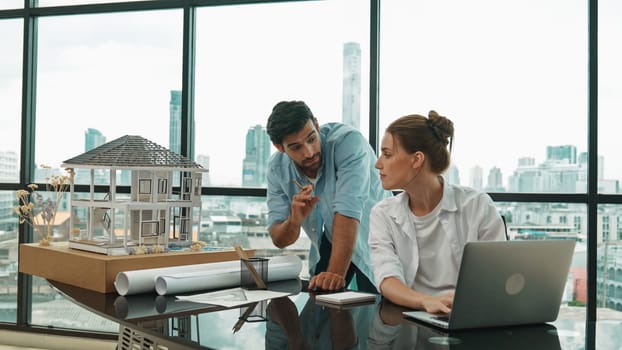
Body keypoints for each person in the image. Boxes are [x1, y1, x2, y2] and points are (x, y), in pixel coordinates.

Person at [369, 110, 506, 313]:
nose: (378, 163)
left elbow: (498, 274)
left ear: (416, 159)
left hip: (470, 315)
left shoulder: (477, 205)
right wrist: (426, 301)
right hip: (410, 319)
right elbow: (387, 279)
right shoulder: (383, 213)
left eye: (387, 154)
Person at [266, 100, 391, 293]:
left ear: (317, 125)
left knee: (379, 313)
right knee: (319, 305)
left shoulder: (348, 142)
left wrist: (335, 275)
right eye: (296, 147)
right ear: (280, 147)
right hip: (333, 238)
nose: (309, 152)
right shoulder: (277, 169)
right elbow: (279, 239)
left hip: (376, 239)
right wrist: (294, 220)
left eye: (311, 139)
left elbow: (348, 210)